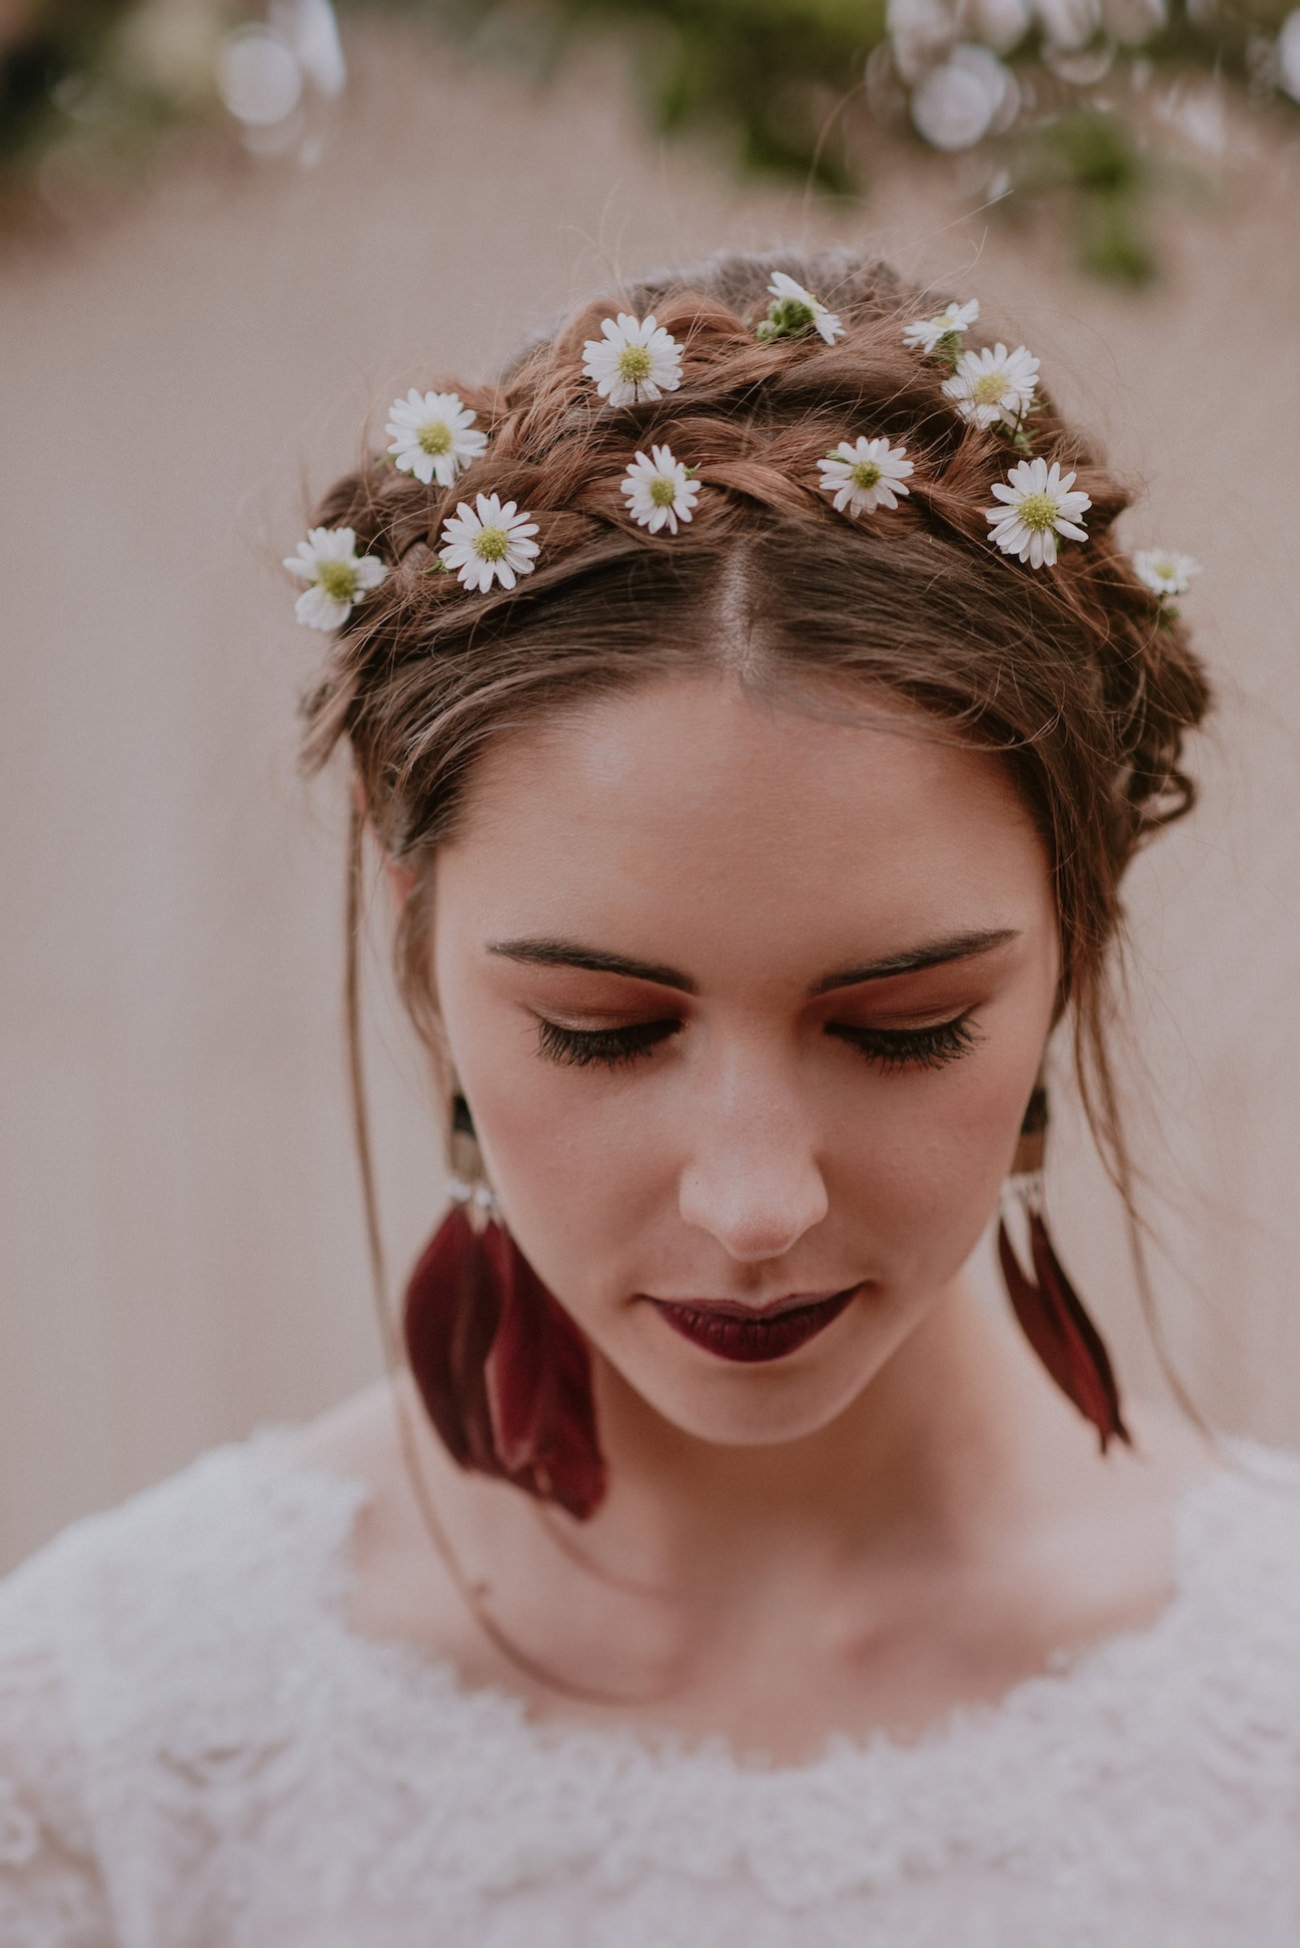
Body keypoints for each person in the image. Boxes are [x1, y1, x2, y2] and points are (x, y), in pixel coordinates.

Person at [2, 248, 1296, 1946]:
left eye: (906, 1027)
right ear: (419, 923)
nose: (754, 1207)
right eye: (602, 1031)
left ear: (1077, 938)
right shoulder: (113, 1734)